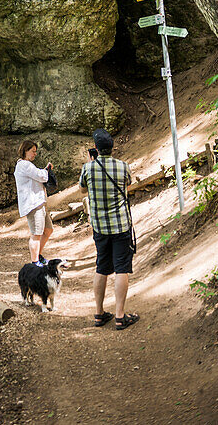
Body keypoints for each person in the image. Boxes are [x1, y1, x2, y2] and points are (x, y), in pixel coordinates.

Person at [79, 127, 139, 330]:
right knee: (122, 267)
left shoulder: (88, 168)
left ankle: (99, 313)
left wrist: (91, 164)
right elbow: (128, 184)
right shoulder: (123, 166)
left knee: (101, 267)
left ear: (95, 148)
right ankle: (120, 316)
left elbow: (82, 188)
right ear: (112, 148)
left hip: (100, 227)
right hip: (121, 224)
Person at [14, 138, 53, 264]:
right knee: (36, 234)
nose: (35, 154)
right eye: (33, 151)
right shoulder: (24, 165)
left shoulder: (28, 166)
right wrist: (46, 170)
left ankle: (38, 255)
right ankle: (35, 262)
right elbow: (41, 176)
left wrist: (44, 171)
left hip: (39, 203)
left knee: (48, 229)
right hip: (33, 204)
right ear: (25, 151)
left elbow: (38, 175)